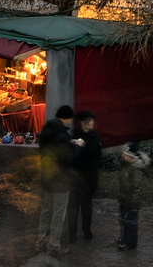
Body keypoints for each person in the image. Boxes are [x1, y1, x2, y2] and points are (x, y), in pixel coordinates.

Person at [36, 106, 75, 256]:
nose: (70, 121)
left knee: (46, 210)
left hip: (46, 177)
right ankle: (53, 246)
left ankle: (40, 243)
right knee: (58, 213)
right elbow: (68, 159)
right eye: (70, 118)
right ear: (65, 118)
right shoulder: (63, 136)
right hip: (60, 180)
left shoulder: (46, 131)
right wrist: (76, 147)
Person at [66, 110, 103, 243]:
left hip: (88, 177)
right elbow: (72, 157)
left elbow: (97, 157)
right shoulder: (75, 135)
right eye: (91, 120)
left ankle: (86, 230)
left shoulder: (94, 136)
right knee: (74, 206)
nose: (93, 123)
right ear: (84, 122)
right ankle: (72, 233)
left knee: (86, 206)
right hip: (77, 176)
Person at [116, 142, 147, 251]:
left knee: (130, 222)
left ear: (131, 156)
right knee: (124, 220)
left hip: (131, 200)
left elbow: (136, 188)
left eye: (125, 155)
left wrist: (133, 203)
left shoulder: (136, 169)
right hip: (125, 198)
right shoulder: (127, 165)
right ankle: (124, 238)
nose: (123, 156)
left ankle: (130, 242)